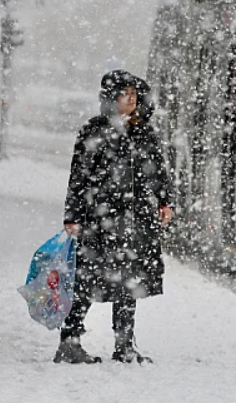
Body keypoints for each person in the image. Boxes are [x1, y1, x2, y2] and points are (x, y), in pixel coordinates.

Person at [54, 70, 174, 364]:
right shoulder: (94, 131)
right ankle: (69, 342)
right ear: (111, 98)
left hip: (135, 220)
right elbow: (79, 177)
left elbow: (158, 171)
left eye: (134, 94)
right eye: (124, 94)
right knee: (86, 280)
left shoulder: (144, 132)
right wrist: (73, 216)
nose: (131, 99)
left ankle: (124, 346)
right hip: (100, 220)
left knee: (129, 282)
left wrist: (165, 201)